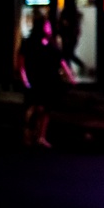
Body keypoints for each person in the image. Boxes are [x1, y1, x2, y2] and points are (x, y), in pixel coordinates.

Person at [18, 9, 75, 148]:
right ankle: (28, 135)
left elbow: (60, 61)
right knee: (34, 108)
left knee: (45, 109)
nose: (49, 28)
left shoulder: (50, 44)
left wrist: (70, 77)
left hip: (47, 81)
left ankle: (40, 136)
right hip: (35, 80)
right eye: (47, 26)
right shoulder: (30, 42)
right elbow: (21, 62)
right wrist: (24, 79)